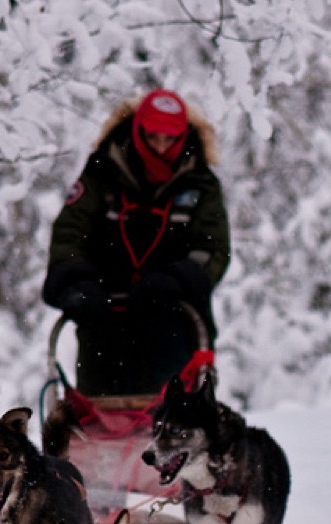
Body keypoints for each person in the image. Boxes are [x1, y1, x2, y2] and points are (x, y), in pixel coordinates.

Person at [42, 88, 230, 398]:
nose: (160, 146)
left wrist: (178, 278)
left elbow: (212, 248)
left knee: (168, 406)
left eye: (169, 139)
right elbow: (70, 231)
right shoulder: (102, 173)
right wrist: (76, 278)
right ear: (138, 131)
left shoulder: (201, 184)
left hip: (172, 315)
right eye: (153, 137)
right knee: (99, 408)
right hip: (104, 311)